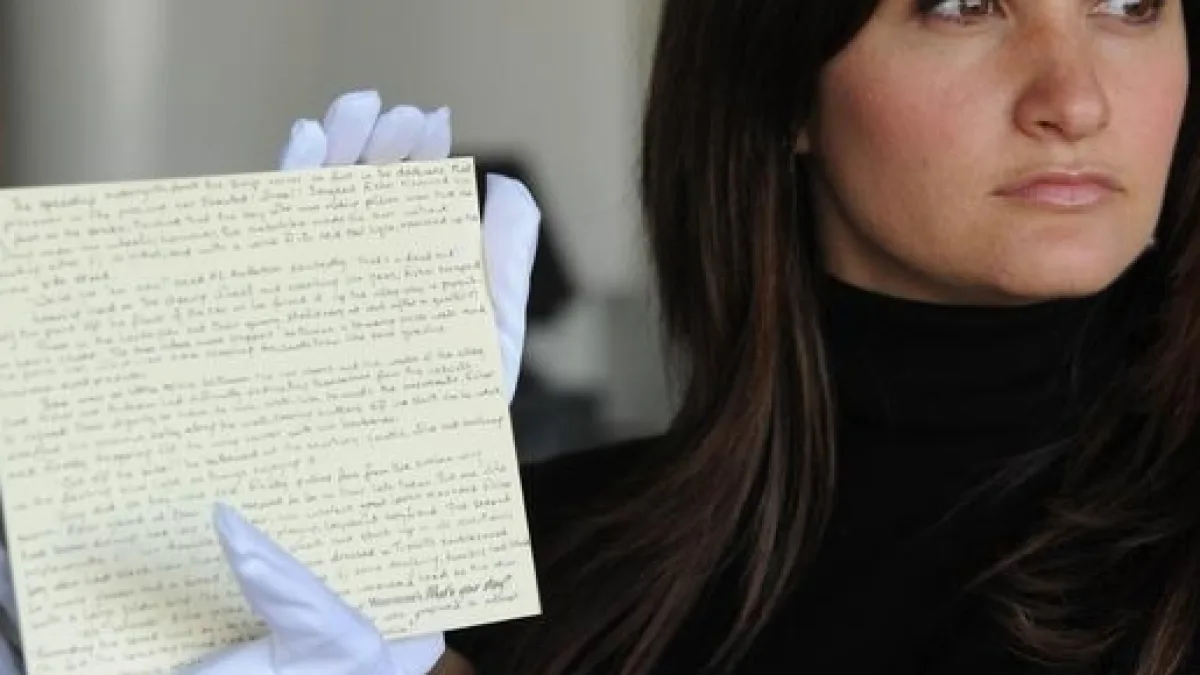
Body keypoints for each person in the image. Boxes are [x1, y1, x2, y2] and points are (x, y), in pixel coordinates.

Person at [9, 0, 1200, 672]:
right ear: (782, 78)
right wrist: (114, 594)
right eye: (961, 3)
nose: (1075, 97)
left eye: (1130, 4)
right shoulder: (532, 574)